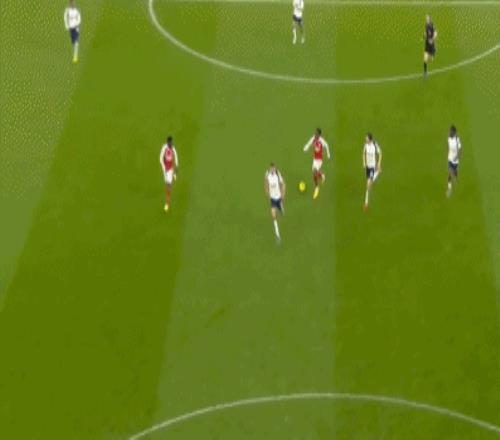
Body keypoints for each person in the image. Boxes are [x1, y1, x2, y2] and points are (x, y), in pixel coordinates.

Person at [303, 128, 331, 200]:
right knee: (314, 174)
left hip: (319, 160)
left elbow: (327, 146)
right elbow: (309, 143)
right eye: (315, 133)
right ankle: (321, 175)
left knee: (314, 172)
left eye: (316, 134)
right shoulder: (313, 138)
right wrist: (306, 147)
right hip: (314, 159)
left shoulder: (322, 141)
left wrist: (328, 154)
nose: (315, 134)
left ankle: (317, 187)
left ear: (319, 135)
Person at [265, 163, 286, 242]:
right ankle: (277, 235)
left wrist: (283, 193)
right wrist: (267, 191)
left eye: (273, 168)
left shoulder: (278, 175)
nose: (272, 170)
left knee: (280, 209)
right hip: (272, 199)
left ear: (275, 168)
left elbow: (283, 184)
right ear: (270, 169)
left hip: (279, 197)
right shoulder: (267, 175)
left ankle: (281, 207)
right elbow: (266, 183)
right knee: (274, 216)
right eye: (271, 169)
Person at [363, 133, 382, 212]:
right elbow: (364, 153)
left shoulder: (375, 145)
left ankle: (366, 203)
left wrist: (378, 163)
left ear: (370, 139)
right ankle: (377, 173)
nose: (365, 140)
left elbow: (380, 153)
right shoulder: (365, 145)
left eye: (367, 139)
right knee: (368, 183)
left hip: (372, 166)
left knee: (368, 184)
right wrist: (364, 162)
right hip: (367, 166)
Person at [160, 136, 179, 212]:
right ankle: (173, 176)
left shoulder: (173, 149)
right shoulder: (164, 148)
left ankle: (167, 203)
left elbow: (176, 159)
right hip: (165, 169)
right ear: (167, 142)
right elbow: (160, 158)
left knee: (169, 185)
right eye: (170, 142)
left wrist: (176, 170)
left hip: (170, 169)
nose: (172, 144)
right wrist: (164, 167)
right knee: (166, 184)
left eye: (172, 142)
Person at [446, 125, 462, 198]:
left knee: (454, 173)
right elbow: (448, 146)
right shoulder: (448, 138)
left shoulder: (457, 140)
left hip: (455, 161)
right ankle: (449, 189)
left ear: (454, 132)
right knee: (450, 172)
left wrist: (457, 157)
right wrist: (449, 155)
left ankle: (455, 176)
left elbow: (460, 150)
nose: (449, 132)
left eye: (451, 131)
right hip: (450, 159)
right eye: (449, 131)